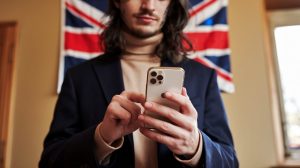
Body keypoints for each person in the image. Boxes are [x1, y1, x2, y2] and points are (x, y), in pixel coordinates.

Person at [39, 0, 239, 167]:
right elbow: (49, 161)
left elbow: (231, 161)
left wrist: (197, 147)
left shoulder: (203, 77)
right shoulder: (79, 77)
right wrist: (101, 138)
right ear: (118, 2)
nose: (148, 6)